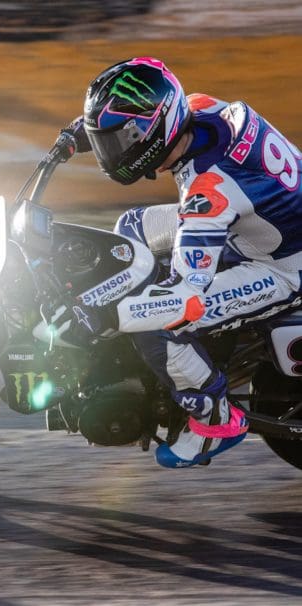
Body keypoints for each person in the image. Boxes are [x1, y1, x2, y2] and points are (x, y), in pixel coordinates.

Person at [58, 56, 302, 468]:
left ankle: (215, 423)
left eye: (116, 142)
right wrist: (80, 134)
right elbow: (152, 111)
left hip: (281, 267)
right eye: (106, 141)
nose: (109, 154)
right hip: (253, 225)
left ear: (149, 135)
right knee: (130, 228)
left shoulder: (208, 193)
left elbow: (186, 297)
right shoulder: (200, 107)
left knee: (159, 320)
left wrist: (106, 316)